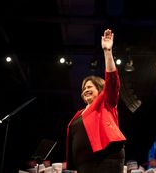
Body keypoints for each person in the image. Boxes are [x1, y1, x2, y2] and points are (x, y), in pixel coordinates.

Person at [65, 29, 127, 173]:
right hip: (83, 165)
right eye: (83, 88)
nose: (85, 90)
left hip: (106, 159)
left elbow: (112, 80)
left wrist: (107, 52)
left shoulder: (106, 102)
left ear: (100, 89)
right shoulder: (79, 114)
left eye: (89, 87)